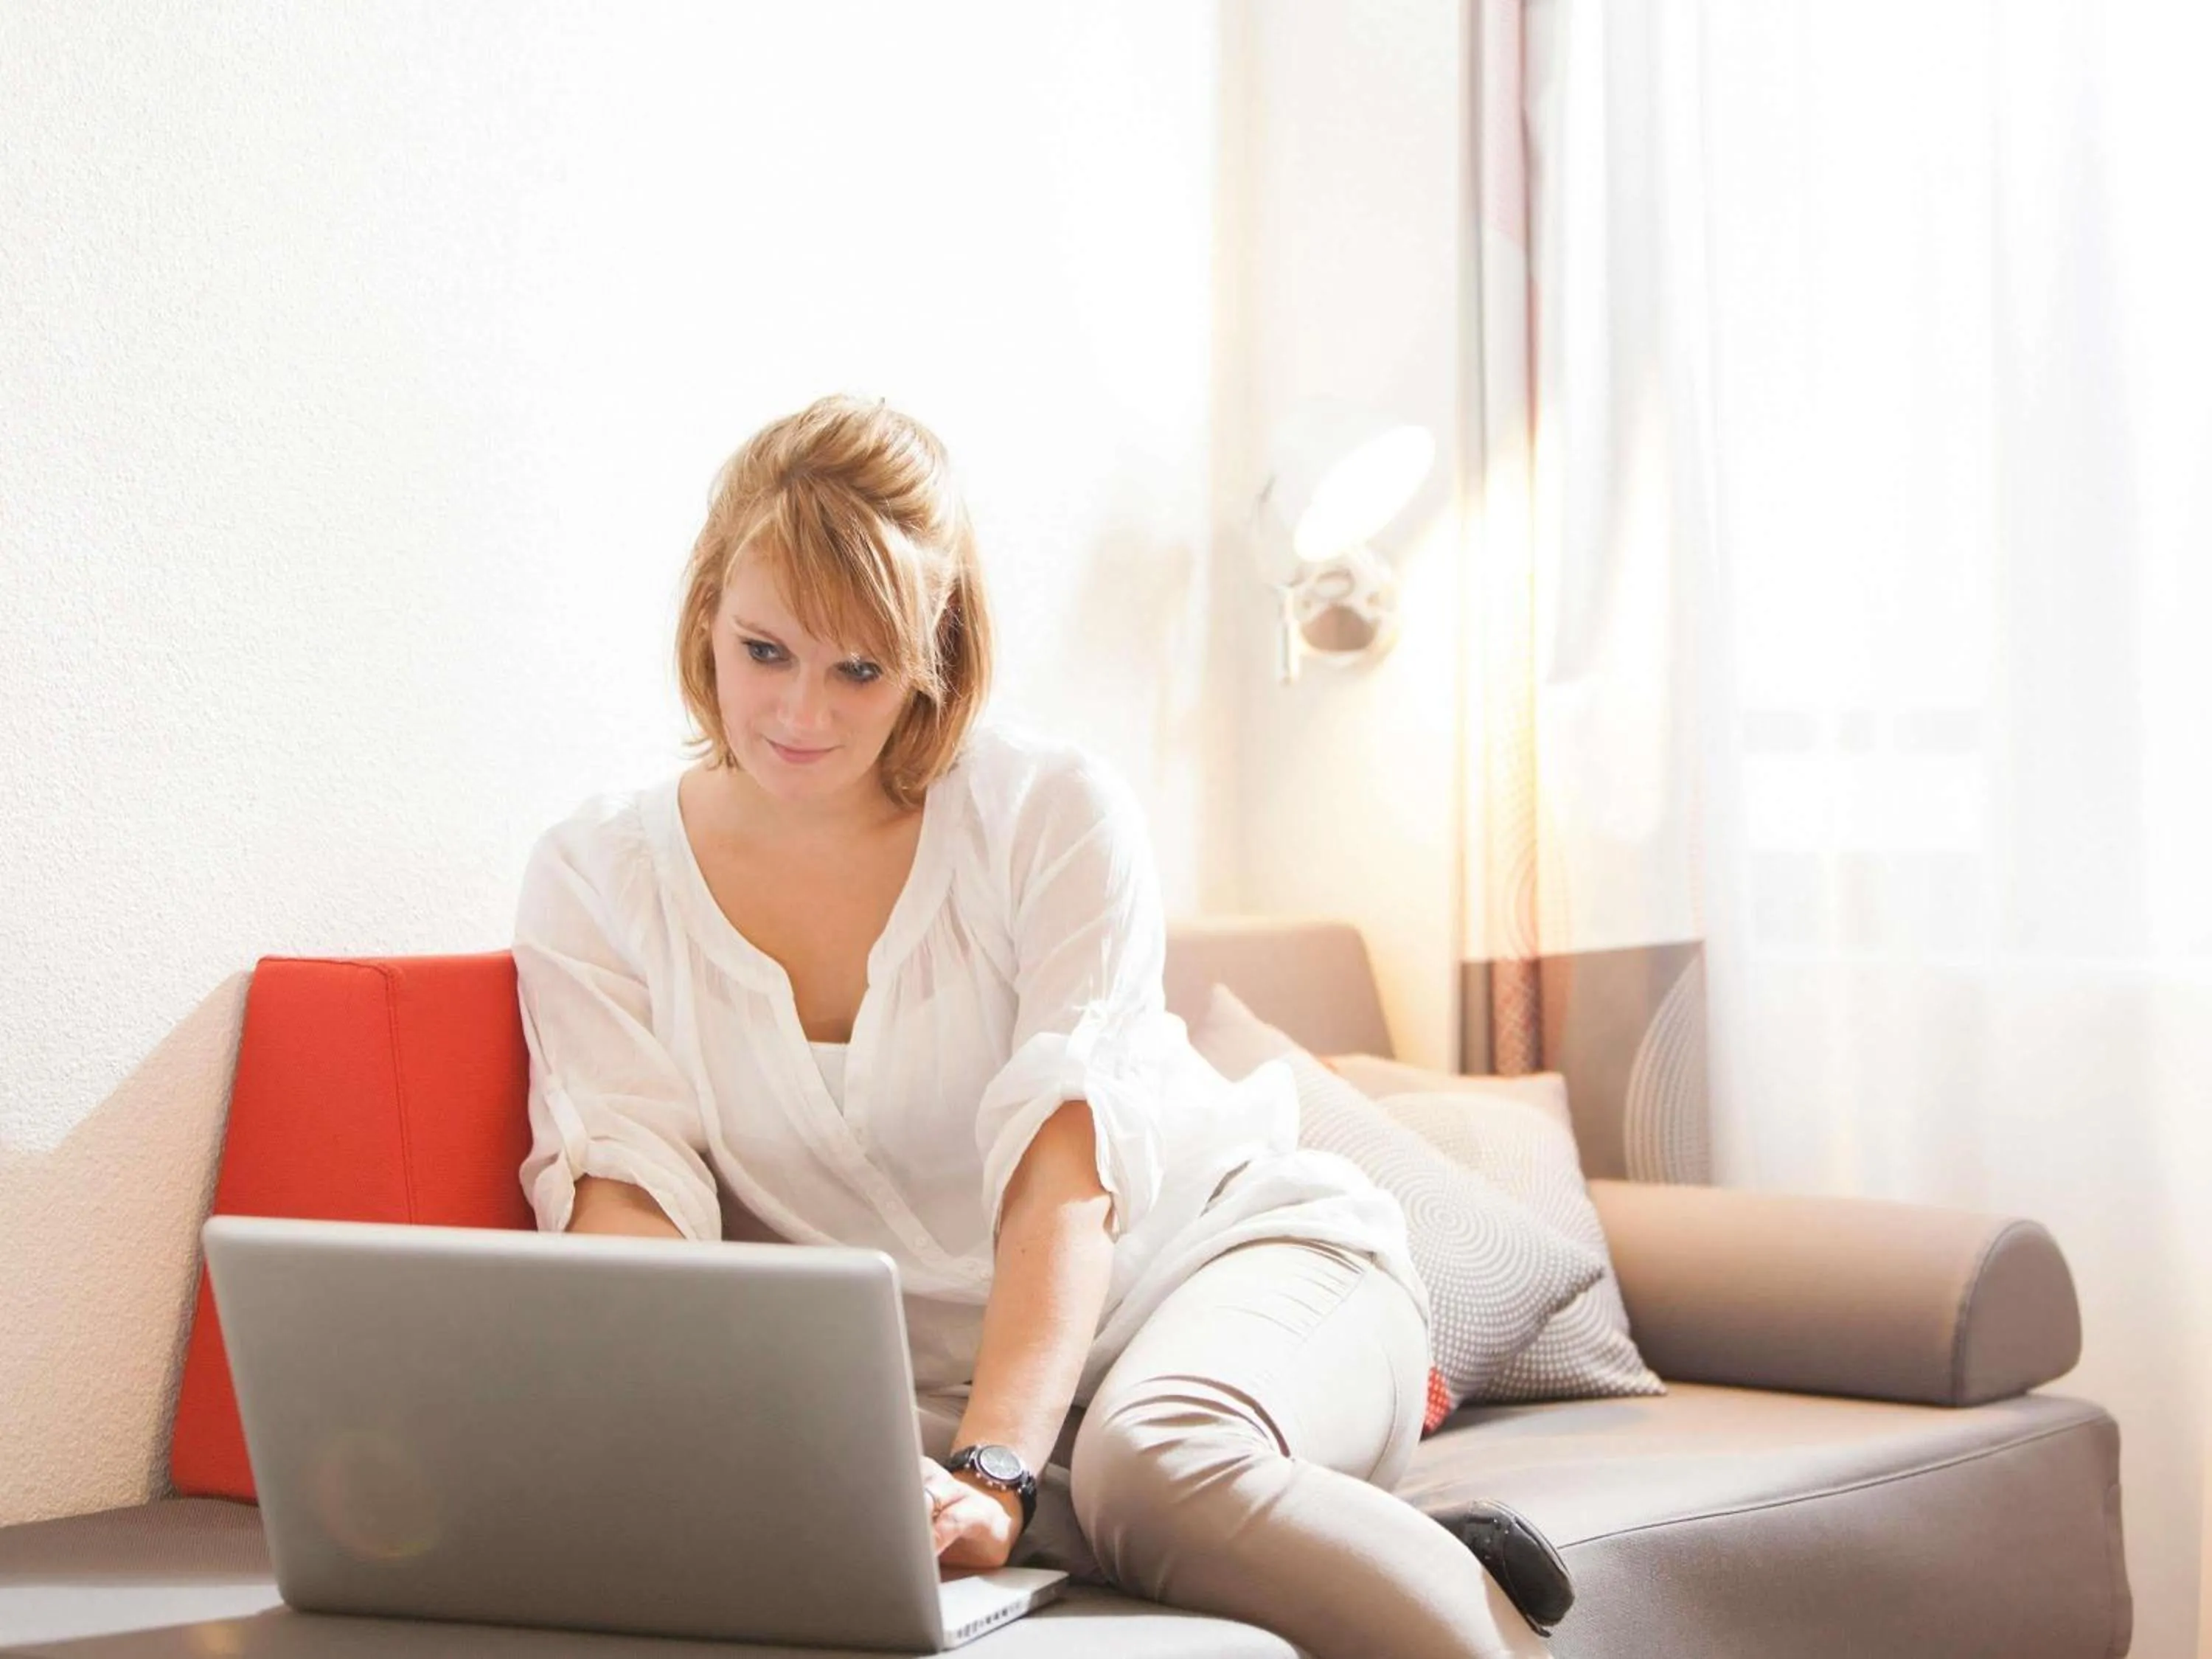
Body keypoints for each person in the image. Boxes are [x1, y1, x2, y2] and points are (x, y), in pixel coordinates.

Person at [512, 394, 1572, 1658]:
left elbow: (1063, 1175)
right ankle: (1386, 1538)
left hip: (1232, 1269)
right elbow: (630, 1207)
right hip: (931, 1389)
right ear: (705, 619)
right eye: (766, 651)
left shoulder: (1050, 814)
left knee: (1151, 1464)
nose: (804, 712)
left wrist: (1001, 1469)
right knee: (882, 1509)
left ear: (934, 653)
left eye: (862, 667)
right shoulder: (596, 875)